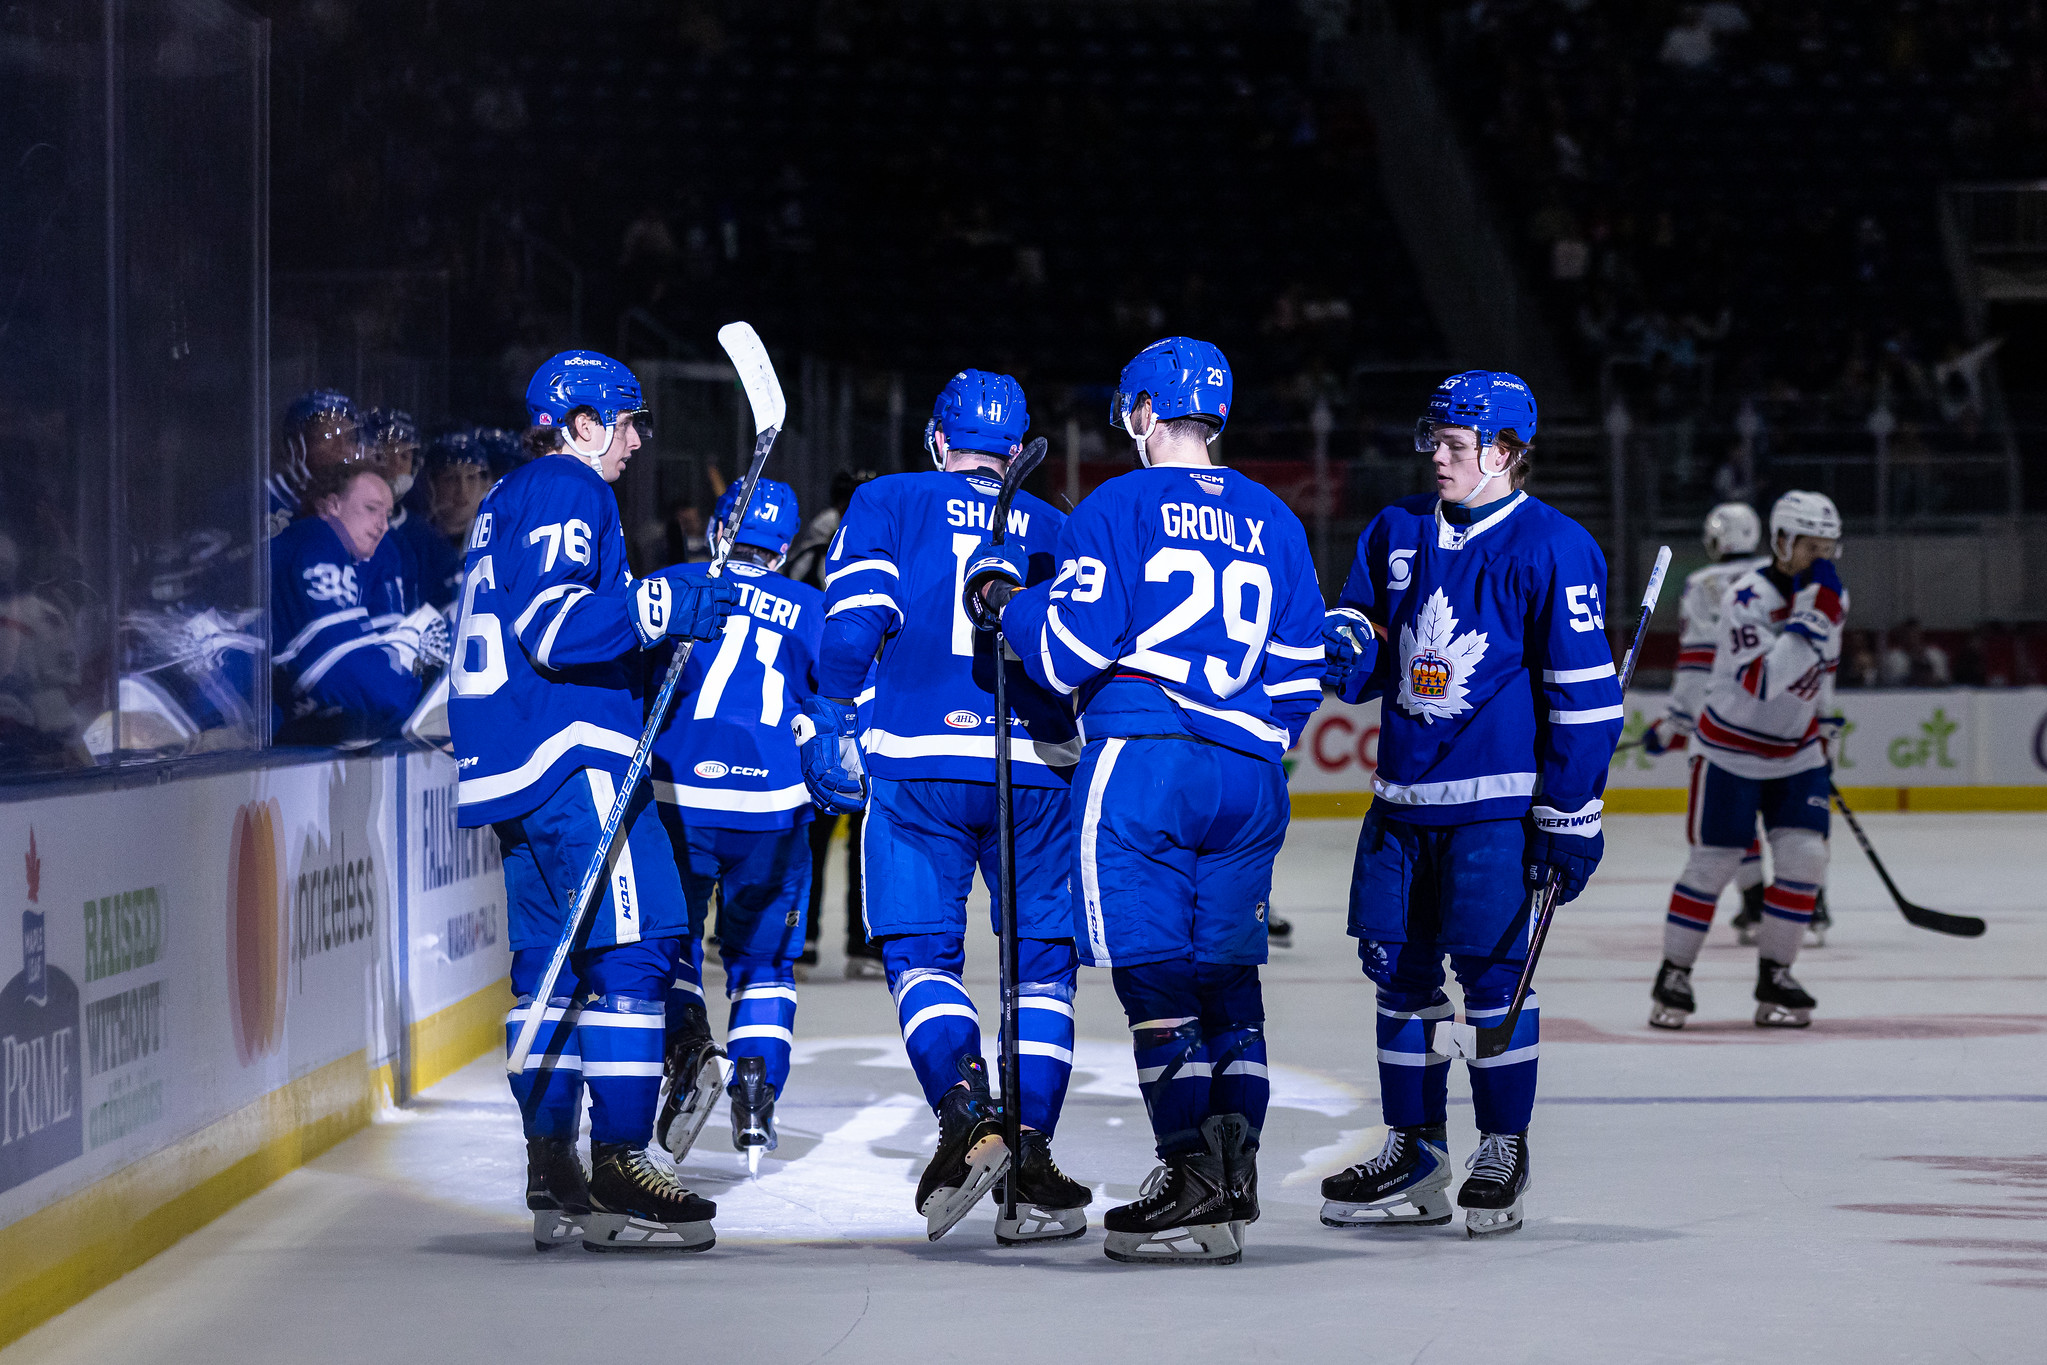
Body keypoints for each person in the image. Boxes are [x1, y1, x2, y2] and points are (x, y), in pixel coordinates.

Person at [970, 338, 1324, 1266]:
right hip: (1249, 774)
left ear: (1139, 411)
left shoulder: (1118, 503)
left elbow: (1064, 654)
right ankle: (1231, 1169)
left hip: (1145, 757)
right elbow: (1299, 673)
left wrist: (1008, 603)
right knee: (1229, 980)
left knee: (1155, 978)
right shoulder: (1277, 519)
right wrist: (1250, 734)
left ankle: (1185, 1173)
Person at [1315, 370, 1620, 1240]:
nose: (1437, 458)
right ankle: (1414, 1150)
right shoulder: (1395, 529)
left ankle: (1501, 1144)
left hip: (1493, 810)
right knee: (1396, 977)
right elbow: (1367, 639)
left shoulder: (1554, 546)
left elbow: (1587, 704)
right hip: (1401, 803)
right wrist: (1343, 643)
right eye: (1435, 441)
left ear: (1505, 453)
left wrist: (1568, 814)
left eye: (1455, 446)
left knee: (1492, 981)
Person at [450, 349, 742, 1253]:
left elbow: (573, 628)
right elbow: (554, 624)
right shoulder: (568, 486)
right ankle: (619, 1162)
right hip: (574, 760)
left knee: (547, 965)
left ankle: (553, 1165)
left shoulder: (505, 500)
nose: (636, 438)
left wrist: (657, 632)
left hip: (517, 766)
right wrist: (662, 602)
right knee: (639, 946)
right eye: (625, 420)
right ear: (579, 422)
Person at [799, 369, 1089, 1245]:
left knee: (923, 958)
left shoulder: (890, 497)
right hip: (1038, 769)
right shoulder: (1059, 524)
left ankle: (970, 1116)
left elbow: (852, 627)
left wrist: (828, 716)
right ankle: (1030, 1152)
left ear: (936, 436)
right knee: (1042, 970)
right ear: (1017, 447)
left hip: (919, 761)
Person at [648, 477, 822, 1171]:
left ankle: (688, 1052)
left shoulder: (674, 581)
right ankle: (756, 1090)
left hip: (677, 797)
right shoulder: (811, 606)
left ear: (720, 531)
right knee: (764, 964)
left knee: (669, 945)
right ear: (782, 551)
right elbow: (839, 704)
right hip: (772, 809)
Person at [1648, 490, 1847, 1032]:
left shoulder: (1829, 595)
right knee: (1713, 863)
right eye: (1810, 545)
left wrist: (1824, 722)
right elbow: (1762, 681)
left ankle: (1776, 974)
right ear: (1781, 541)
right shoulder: (1745, 598)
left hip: (1795, 753)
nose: (1820, 558)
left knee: (1806, 860)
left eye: (1828, 547)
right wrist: (1811, 622)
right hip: (1729, 752)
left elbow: (1822, 669)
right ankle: (1675, 973)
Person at [1641, 504, 1781, 941]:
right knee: (1791, 814)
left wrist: (1676, 721)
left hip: (1725, 719)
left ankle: (1757, 905)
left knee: (1728, 815)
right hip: (1783, 712)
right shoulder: (1780, 574)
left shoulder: (1703, 584)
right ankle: (1811, 905)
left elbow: (1699, 659)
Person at [788, 467, 883, 980]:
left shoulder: (816, 544)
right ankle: (838, 943)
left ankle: (817, 941)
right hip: (841, 701)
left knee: (831, 827)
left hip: (830, 701)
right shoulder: (857, 541)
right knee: (835, 827)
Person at [270, 464, 440, 747]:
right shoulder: (316, 538)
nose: (383, 525)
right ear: (333, 505)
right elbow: (342, 670)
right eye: (372, 509)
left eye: (387, 514)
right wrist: (419, 695)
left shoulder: (350, 556)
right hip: (216, 697)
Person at [366, 408, 460, 611]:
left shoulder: (428, 540)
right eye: (386, 454)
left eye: (405, 456)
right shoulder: (341, 524)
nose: (395, 466)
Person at [270, 390, 369, 537]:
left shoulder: (365, 504)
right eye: (327, 436)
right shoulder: (261, 500)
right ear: (296, 446)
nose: (341, 448)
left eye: (349, 438)